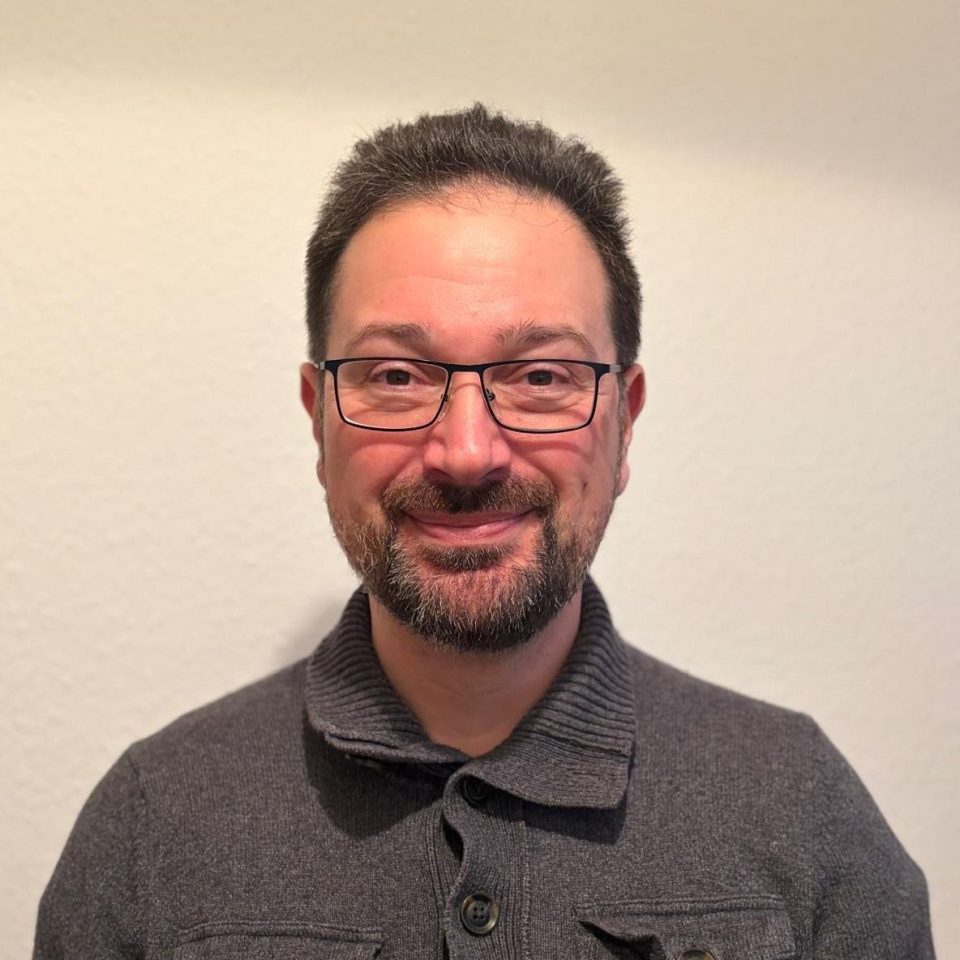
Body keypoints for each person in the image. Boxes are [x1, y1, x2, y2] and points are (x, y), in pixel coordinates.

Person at [35, 105, 934, 959]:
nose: (467, 452)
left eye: (541, 376)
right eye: (396, 375)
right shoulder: (151, 827)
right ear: (318, 421)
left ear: (624, 423)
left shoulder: (802, 812)